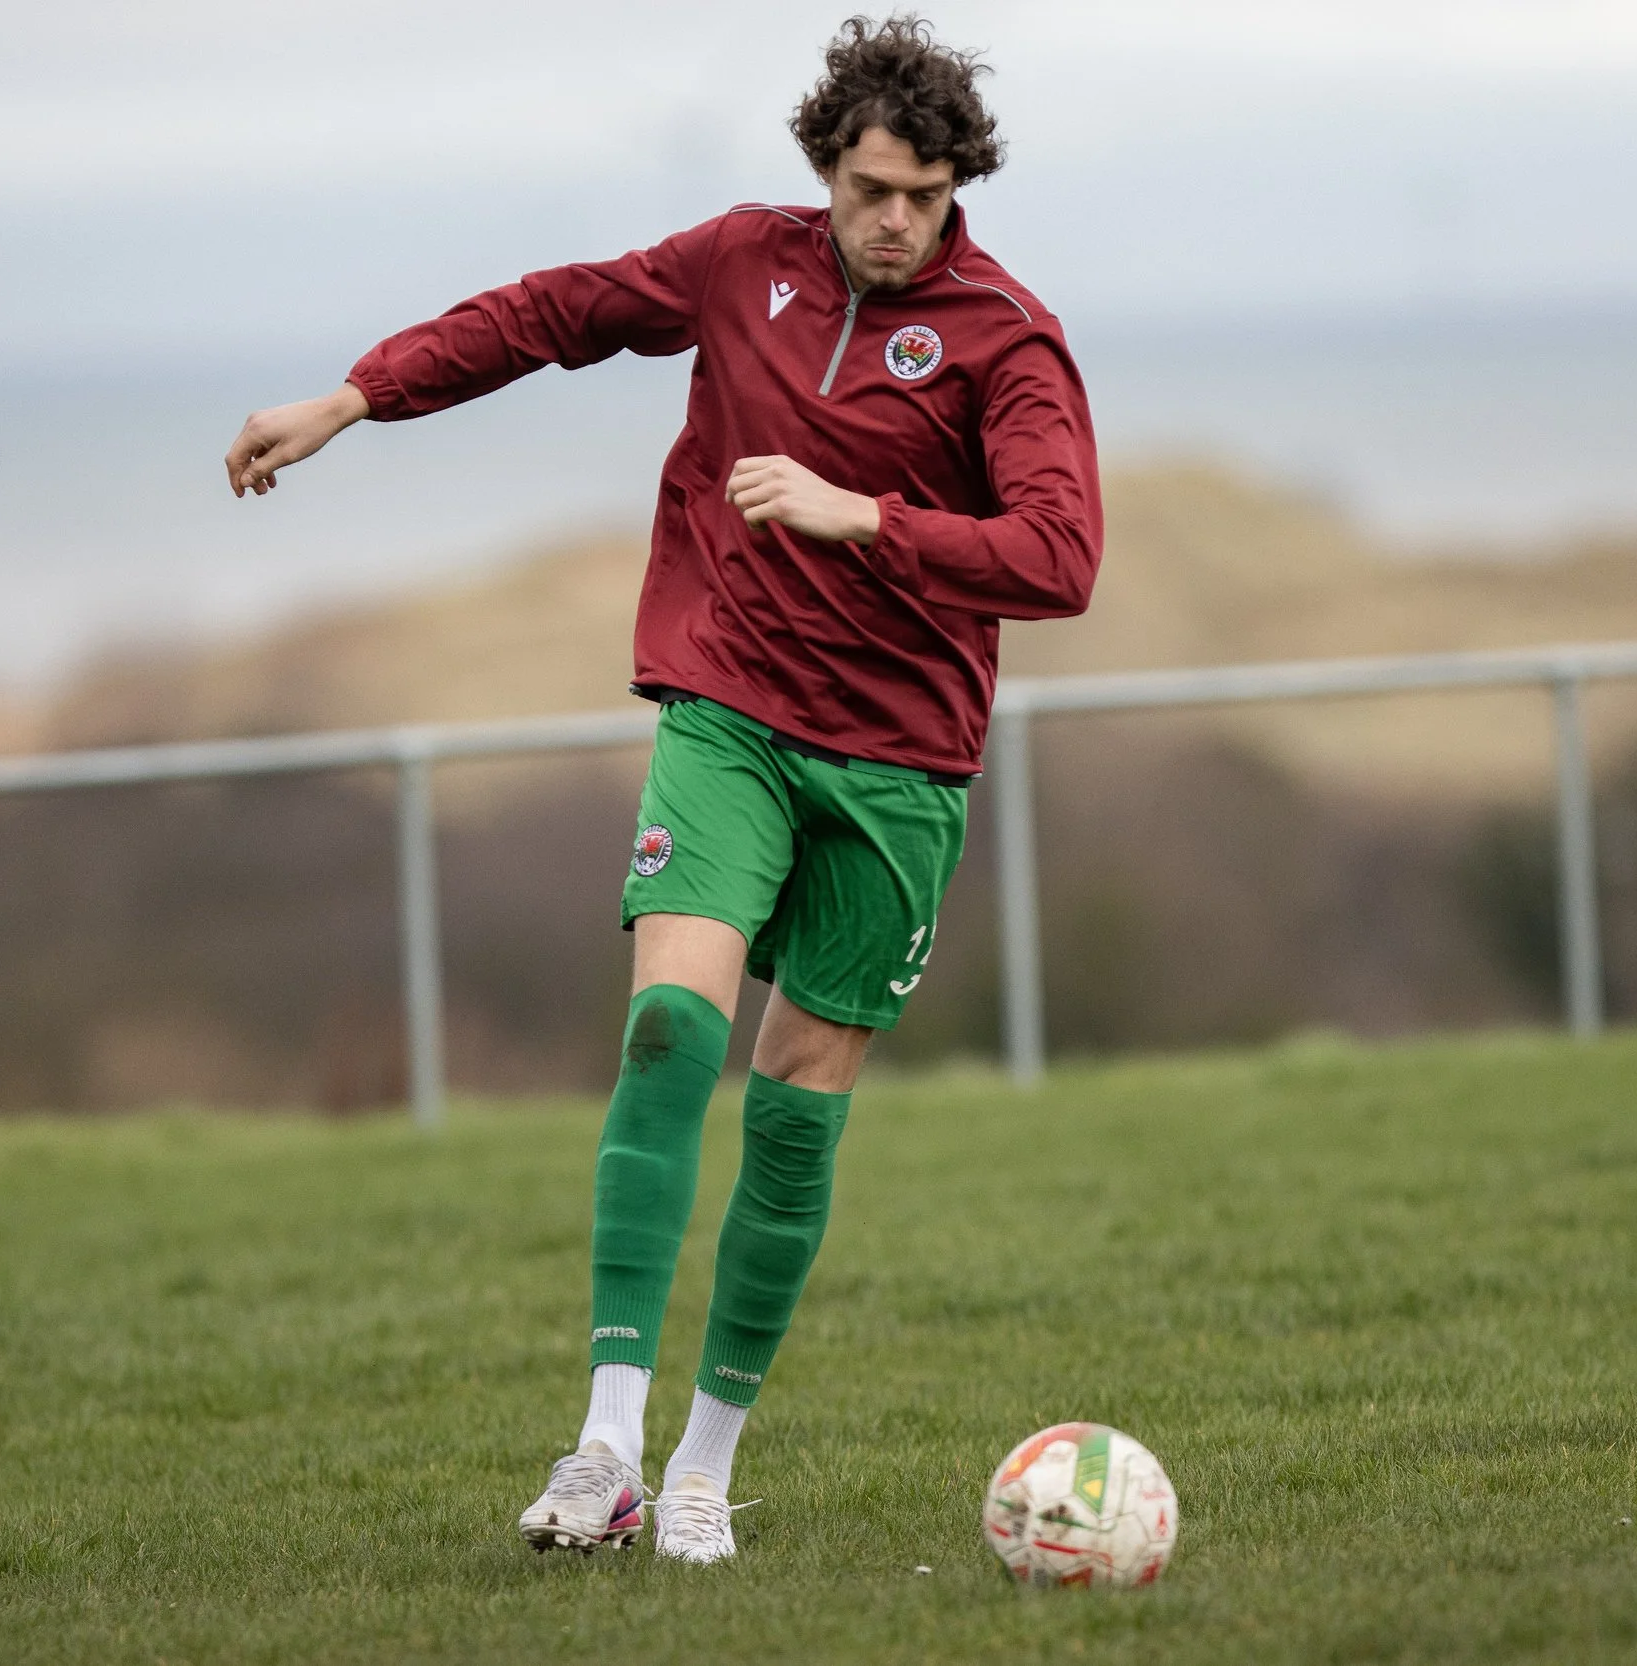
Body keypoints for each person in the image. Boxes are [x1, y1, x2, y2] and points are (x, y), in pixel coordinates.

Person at [222, 13, 1100, 1565]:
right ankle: (607, 1444)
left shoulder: (1005, 339)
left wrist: (865, 517)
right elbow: (552, 313)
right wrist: (357, 396)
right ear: (824, 169)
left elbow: (1058, 557)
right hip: (731, 711)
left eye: (927, 193)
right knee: (665, 1027)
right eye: (870, 187)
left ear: (963, 185)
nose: (896, 219)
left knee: (793, 1114)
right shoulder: (735, 263)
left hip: (899, 769)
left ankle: (706, 1457)